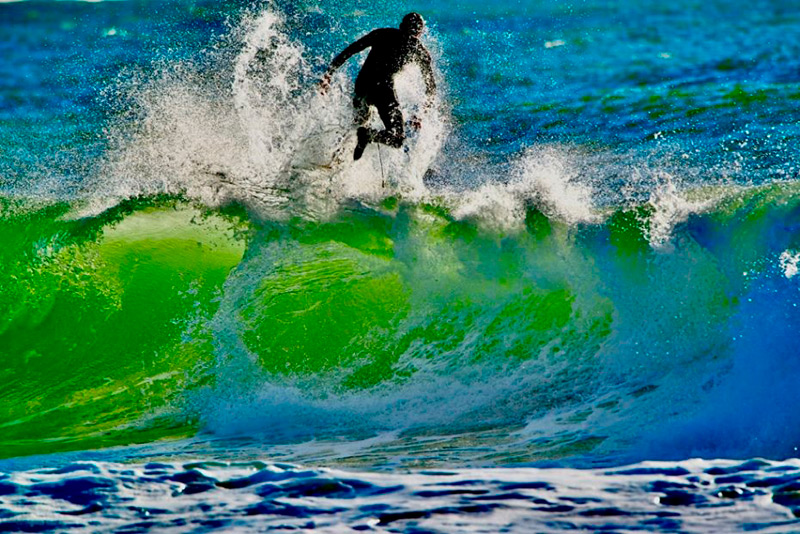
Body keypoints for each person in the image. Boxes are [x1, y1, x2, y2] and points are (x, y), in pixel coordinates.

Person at [321, 12, 436, 160]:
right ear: (420, 33)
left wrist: (328, 74)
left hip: (363, 85)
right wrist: (420, 115)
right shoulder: (419, 51)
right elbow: (431, 89)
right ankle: (370, 135)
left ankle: (335, 160)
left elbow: (350, 50)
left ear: (401, 26)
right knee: (397, 138)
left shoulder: (382, 34)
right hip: (383, 90)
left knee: (356, 125)